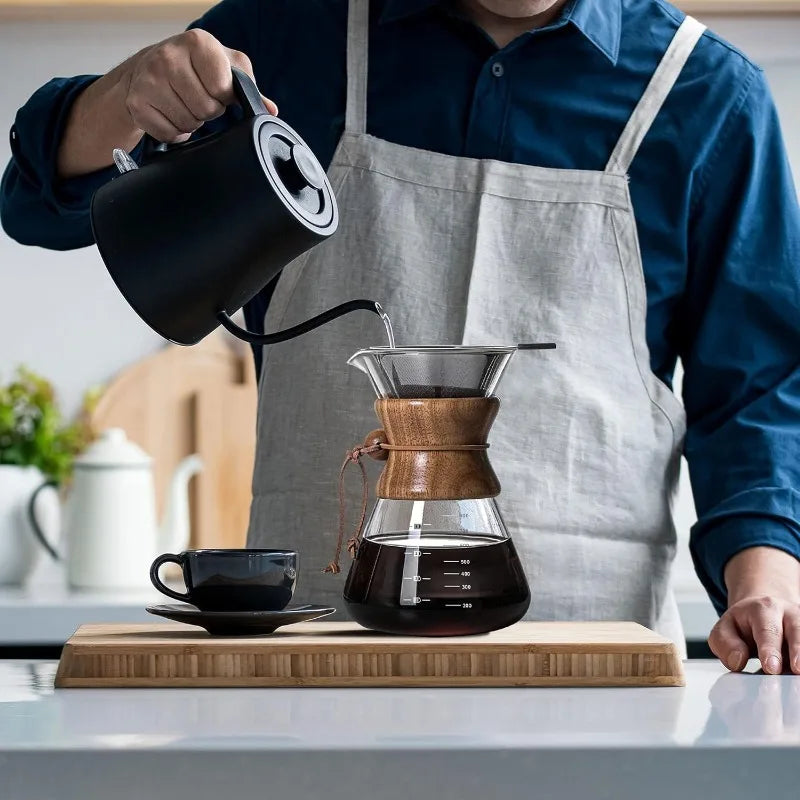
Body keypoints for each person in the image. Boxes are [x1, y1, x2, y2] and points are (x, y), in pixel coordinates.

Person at [2, 0, 799, 673]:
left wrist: (766, 577)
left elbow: (758, 390)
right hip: (309, 669)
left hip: (587, 661)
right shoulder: (295, 32)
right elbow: (37, 204)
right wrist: (129, 93)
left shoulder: (707, 95)